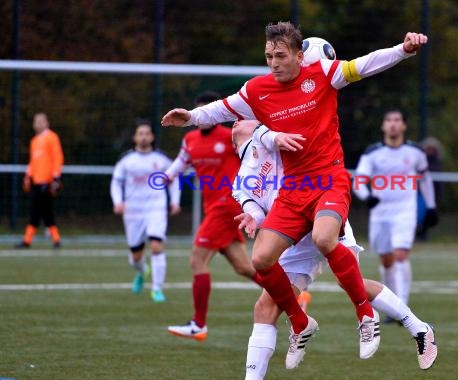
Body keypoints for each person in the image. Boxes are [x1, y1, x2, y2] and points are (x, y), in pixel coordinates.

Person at [162, 21, 428, 366]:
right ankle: (300, 324)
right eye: (268, 56)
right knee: (263, 292)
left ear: (300, 57)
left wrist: (403, 50)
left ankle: (401, 323)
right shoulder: (255, 113)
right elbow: (225, 116)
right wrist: (191, 118)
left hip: (323, 194)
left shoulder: (320, 77)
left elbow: (365, 64)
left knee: (342, 265)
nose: (272, 62)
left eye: (280, 55)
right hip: (291, 207)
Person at [231, 120, 437, 377]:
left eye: (242, 117)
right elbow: (254, 209)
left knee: (351, 282)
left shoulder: (273, 138)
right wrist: (253, 217)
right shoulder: (240, 182)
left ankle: (417, 327)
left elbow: (276, 123)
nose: (238, 121)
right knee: (264, 308)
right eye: (234, 122)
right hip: (293, 236)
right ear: (234, 140)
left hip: (322, 213)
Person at [165, 91, 255, 341]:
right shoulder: (190, 140)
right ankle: (294, 297)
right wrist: (164, 178)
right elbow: (180, 164)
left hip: (227, 207)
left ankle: (198, 324)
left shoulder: (230, 137)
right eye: (199, 112)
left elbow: (253, 159)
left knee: (197, 260)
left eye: (209, 111)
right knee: (244, 268)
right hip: (215, 208)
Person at [353, 110, 438, 313]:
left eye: (397, 120)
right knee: (386, 260)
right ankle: (391, 303)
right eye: (389, 120)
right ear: (383, 126)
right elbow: (359, 181)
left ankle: (402, 306)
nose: (393, 124)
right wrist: (367, 197)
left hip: (405, 212)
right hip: (380, 214)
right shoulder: (372, 153)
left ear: (404, 126)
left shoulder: (415, 152)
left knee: (400, 255)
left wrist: (432, 205)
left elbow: (425, 179)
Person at [110, 120, 181, 302]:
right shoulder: (126, 160)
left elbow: (173, 179)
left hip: (156, 208)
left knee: (156, 245)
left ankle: (157, 289)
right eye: (140, 133)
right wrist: (118, 202)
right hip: (133, 211)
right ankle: (143, 271)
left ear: (152, 137)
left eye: (147, 133)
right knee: (135, 256)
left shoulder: (162, 159)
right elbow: (116, 182)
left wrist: (175, 201)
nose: (143, 136)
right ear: (134, 137)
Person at [16, 113, 64, 249]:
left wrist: (56, 177)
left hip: (47, 182)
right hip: (36, 182)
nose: (38, 124)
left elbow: (57, 157)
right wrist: (28, 175)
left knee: (39, 211)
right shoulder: (34, 141)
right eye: (36, 121)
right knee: (42, 211)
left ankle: (27, 240)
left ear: (47, 123)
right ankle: (55, 239)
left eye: (41, 121)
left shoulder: (52, 137)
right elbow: (33, 162)